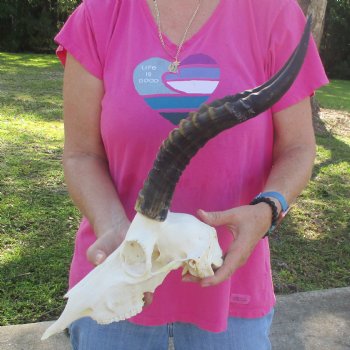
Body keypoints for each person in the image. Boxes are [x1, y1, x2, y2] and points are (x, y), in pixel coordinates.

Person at [54, 0, 328, 349]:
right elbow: (82, 154)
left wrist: (268, 208)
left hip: (229, 290)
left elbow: (298, 148)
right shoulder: (98, 14)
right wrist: (114, 229)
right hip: (118, 280)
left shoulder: (273, 13)